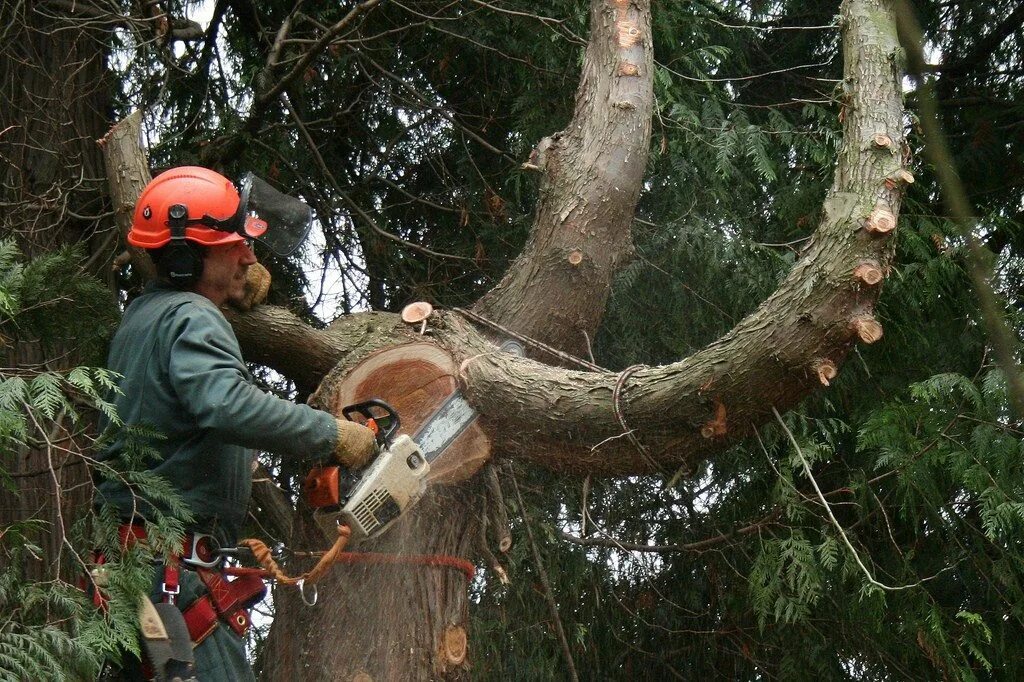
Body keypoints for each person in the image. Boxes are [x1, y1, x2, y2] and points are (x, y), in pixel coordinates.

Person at [94, 166, 376, 681]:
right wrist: (332, 432)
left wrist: (226, 288)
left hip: (136, 574)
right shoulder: (193, 318)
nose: (249, 255)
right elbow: (226, 405)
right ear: (187, 259)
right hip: (170, 578)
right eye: (233, 247)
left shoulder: (143, 318)